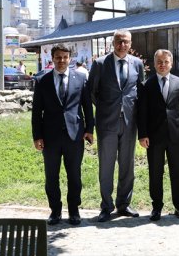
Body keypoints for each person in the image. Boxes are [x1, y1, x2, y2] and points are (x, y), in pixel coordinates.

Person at [31, 43, 94, 226]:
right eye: (58, 57)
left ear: (70, 59)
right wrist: (37, 136)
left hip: (74, 136)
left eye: (65, 57)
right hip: (50, 137)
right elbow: (36, 112)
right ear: (53, 58)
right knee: (52, 176)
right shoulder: (42, 81)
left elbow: (87, 107)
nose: (61, 61)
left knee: (74, 175)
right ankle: (55, 211)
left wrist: (90, 129)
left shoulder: (80, 79)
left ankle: (74, 211)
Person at [88, 29, 145, 222]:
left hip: (130, 123)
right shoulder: (100, 64)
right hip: (107, 123)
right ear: (113, 43)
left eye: (126, 42)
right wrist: (107, 109)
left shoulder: (137, 64)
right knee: (106, 166)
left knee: (127, 166)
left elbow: (140, 91)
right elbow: (92, 93)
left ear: (130, 43)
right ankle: (106, 206)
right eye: (119, 42)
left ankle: (124, 204)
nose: (122, 45)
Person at [137, 49, 179, 222]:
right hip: (154, 137)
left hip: (176, 136)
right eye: (159, 62)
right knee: (155, 172)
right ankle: (156, 207)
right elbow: (142, 112)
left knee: (177, 171)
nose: (162, 65)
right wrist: (143, 134)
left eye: (166, 62)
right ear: (154, 64)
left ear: (171, 63)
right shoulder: (147, 85)